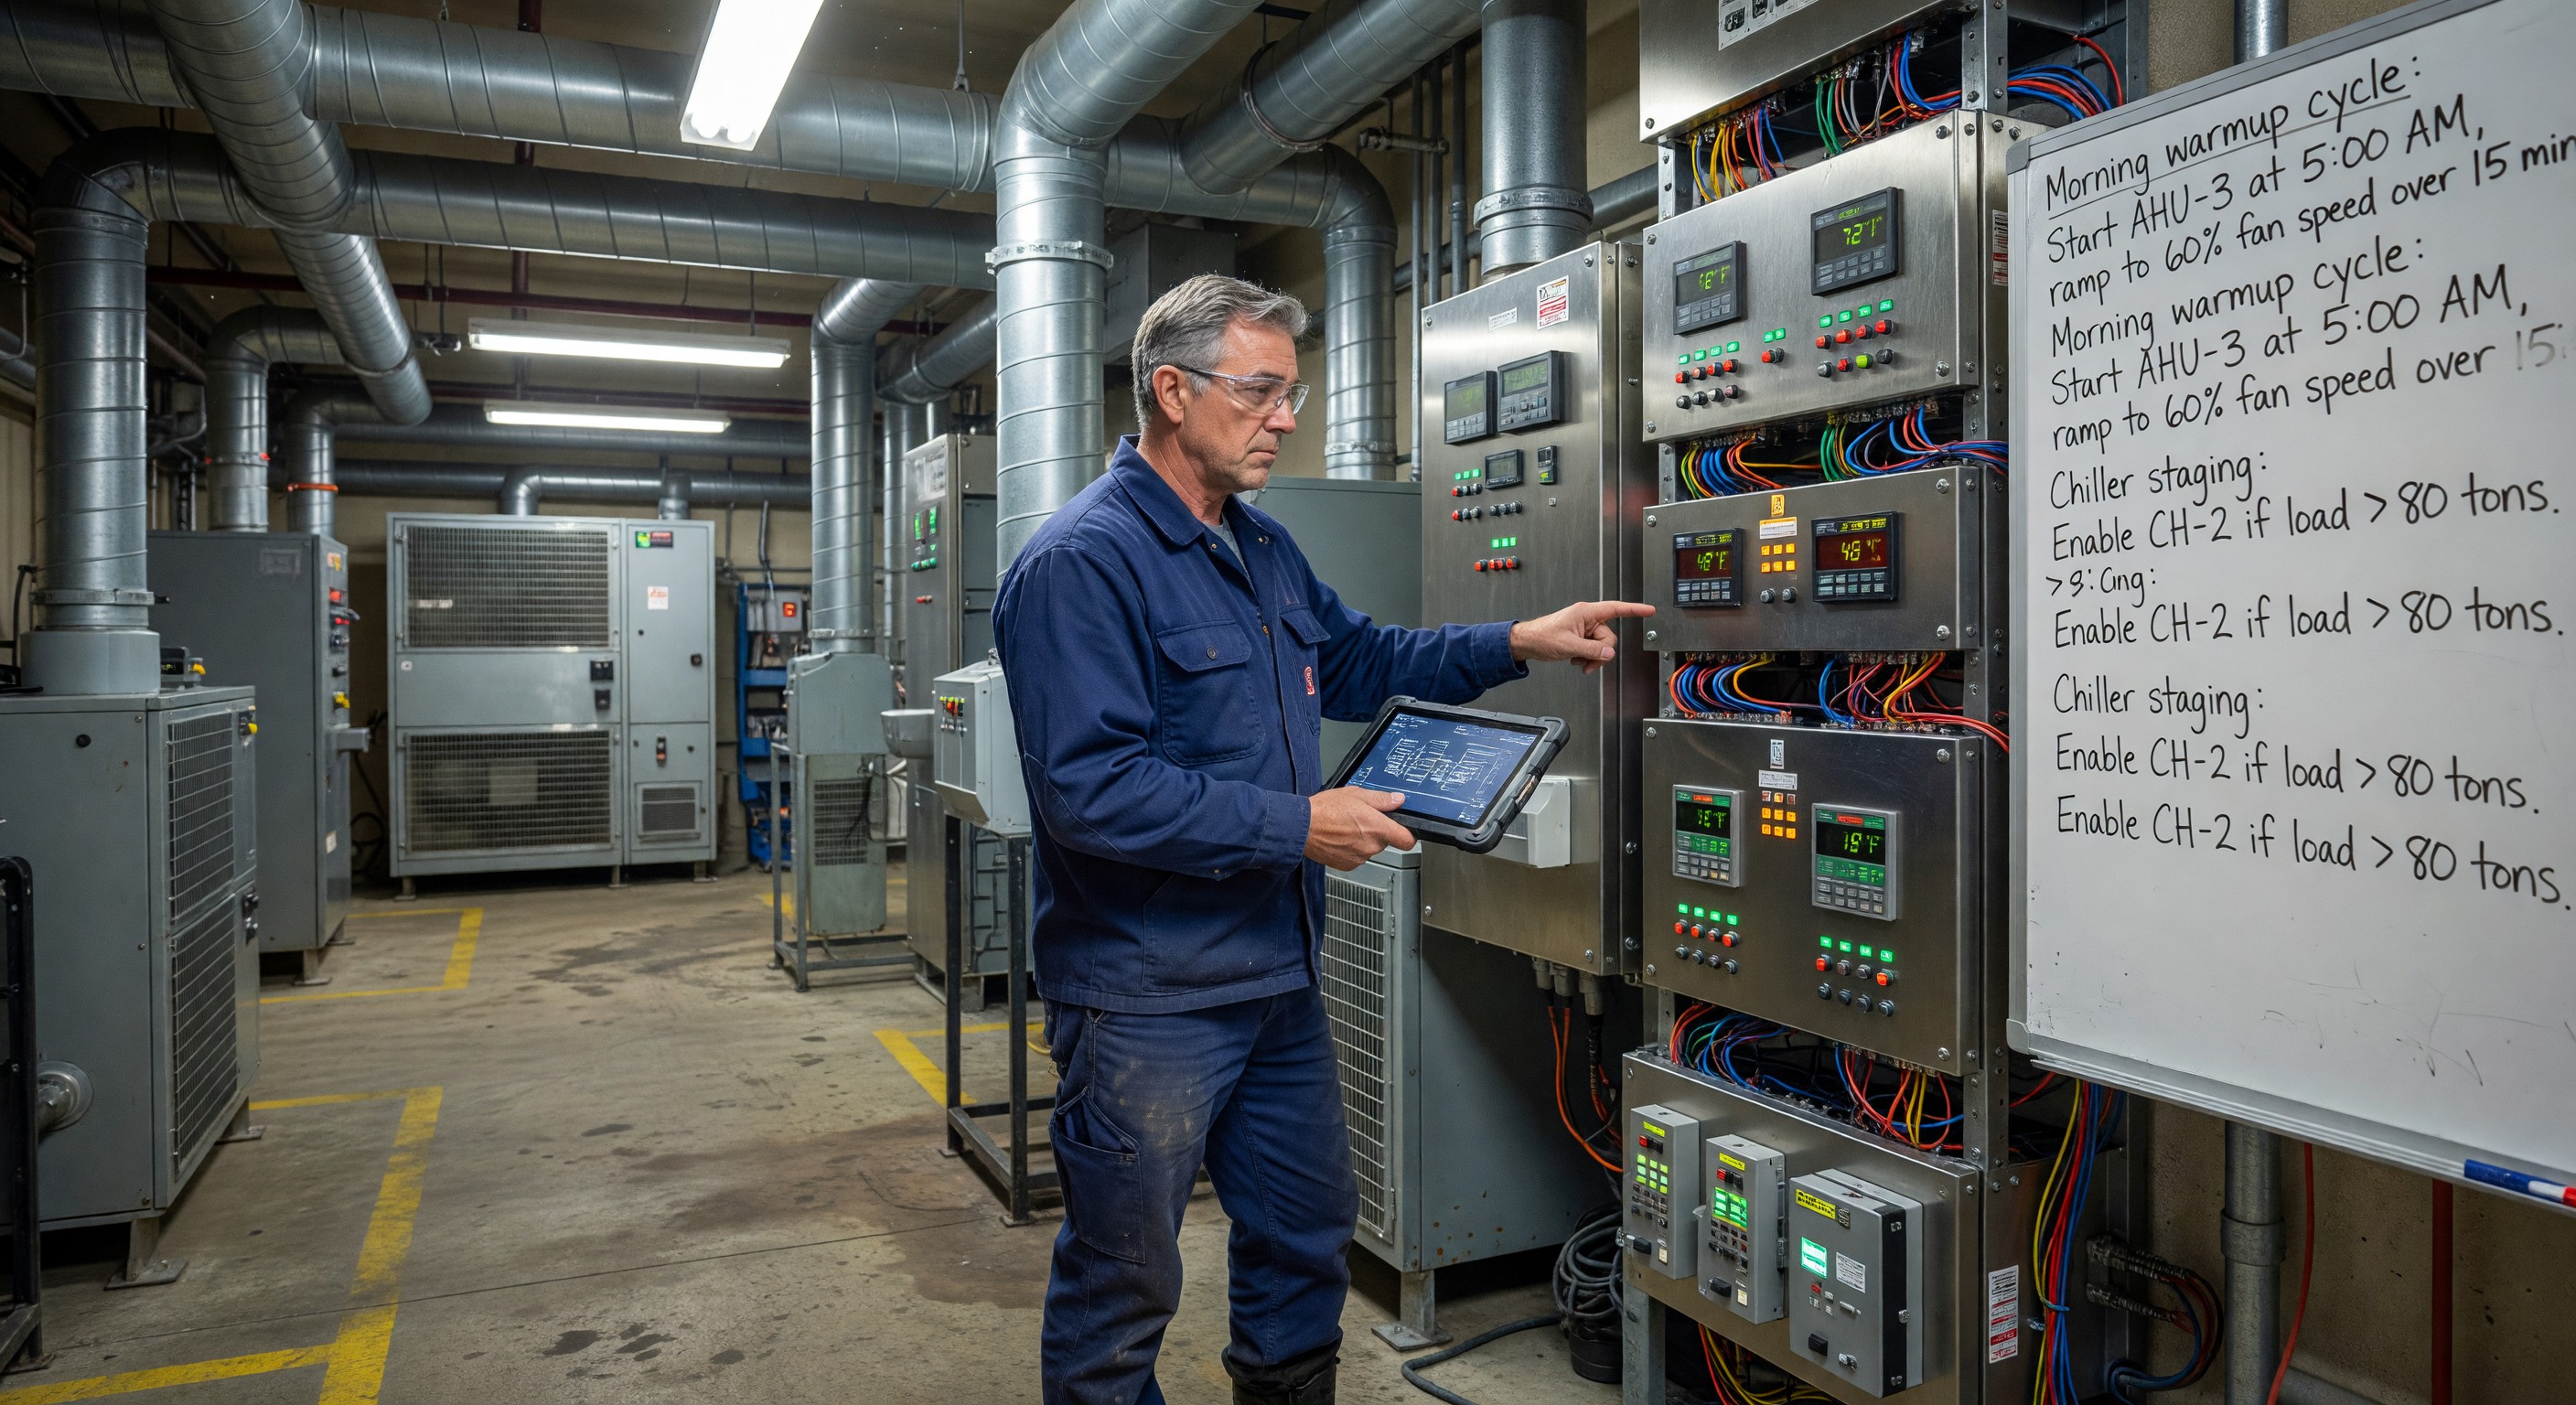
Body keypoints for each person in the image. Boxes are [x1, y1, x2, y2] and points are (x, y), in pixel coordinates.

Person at [993, 274, 1652, 1405]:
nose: (1285, 418)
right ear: (1170, 390)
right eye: (1259, 391)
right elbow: (1091, 795)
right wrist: (1296, 826)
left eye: (1290, 393)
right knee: (1123, 1281)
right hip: (1148, 997)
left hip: (1277, 980)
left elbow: (1358, 662)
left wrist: (1517, 638)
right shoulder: (1079, 563)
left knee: (1304, 1238)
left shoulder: (1260, 548)